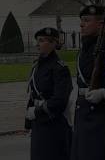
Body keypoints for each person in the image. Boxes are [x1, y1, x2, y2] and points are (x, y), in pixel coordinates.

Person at [25, 27, 73, 160]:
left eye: (41, 41)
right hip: (38, 123)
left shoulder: (60, 68)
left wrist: (36, 112)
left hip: (53, 124)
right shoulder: (37, 66)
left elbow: (60, 100)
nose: (37, 44)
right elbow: (33, 95)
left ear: (53, 43)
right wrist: (28, 122)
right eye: (37, 41)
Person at [71, 5, 105, 160]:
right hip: (83, 110)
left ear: (100, 24)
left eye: (86, 20)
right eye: (81, 21)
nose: (81, 24)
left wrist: (104, 92)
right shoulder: (85, 48)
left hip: (98, 115)